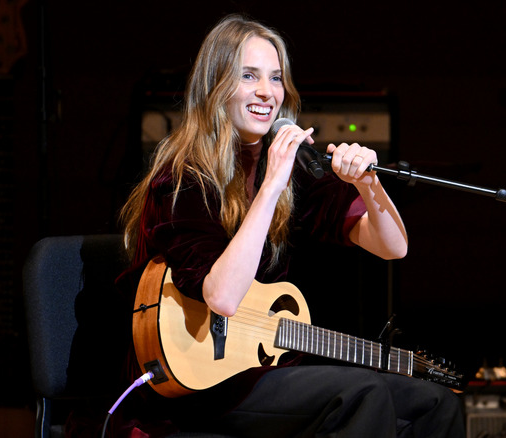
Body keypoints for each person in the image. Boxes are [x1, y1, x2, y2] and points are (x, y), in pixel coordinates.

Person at [113, 13, 464, 438]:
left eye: (276, 78)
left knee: (435, 402)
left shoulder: (287, 168)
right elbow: (221, 296)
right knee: (363, 392)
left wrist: (368, 184)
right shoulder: (183, 179)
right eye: (248, 76)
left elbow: (393, 247)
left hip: (258, 371)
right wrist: (271, 184)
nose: (267, 92)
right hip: (195, 383)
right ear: (215, 87)